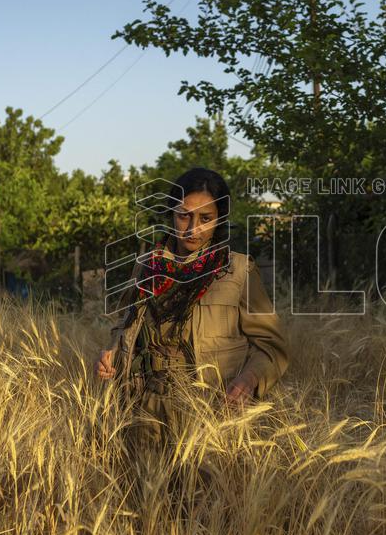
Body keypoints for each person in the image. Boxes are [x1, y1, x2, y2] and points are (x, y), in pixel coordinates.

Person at [95, 167, 290, 447]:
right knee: (144, 488)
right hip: (140, 411)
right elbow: (125, 323)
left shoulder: (237, 270)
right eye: (183, 215)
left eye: (205, 218)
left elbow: (272, 346)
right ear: (171, 215)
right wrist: (112, 353)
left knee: (202, 489)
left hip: (207, 412)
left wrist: (249, 380)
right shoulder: (147, 266)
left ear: (219, 220)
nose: (192, 228)